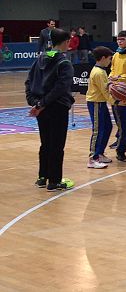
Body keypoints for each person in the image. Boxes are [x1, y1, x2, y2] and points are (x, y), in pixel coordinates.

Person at [26, 28, 75, 191]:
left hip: (42, 109)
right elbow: (60, 88)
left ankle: (42, 177)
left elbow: (28, 82)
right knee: (56, 145)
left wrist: (35, 103)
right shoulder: (64, 63)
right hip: (57, 108)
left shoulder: (39, 59)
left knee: (45, 143)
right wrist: (42, 104)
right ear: (67, 42)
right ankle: (54, 181)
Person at [86, 46, 114, 169]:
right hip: (95, 103)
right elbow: (105, 91)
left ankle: (100, 153)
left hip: (101, 102)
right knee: (98, 130)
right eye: (109, 59)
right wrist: (116, 102)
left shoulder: (101, 71)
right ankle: (93, 158)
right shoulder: (98, 72)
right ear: (103, 58)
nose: (110, 61)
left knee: (108, 126)